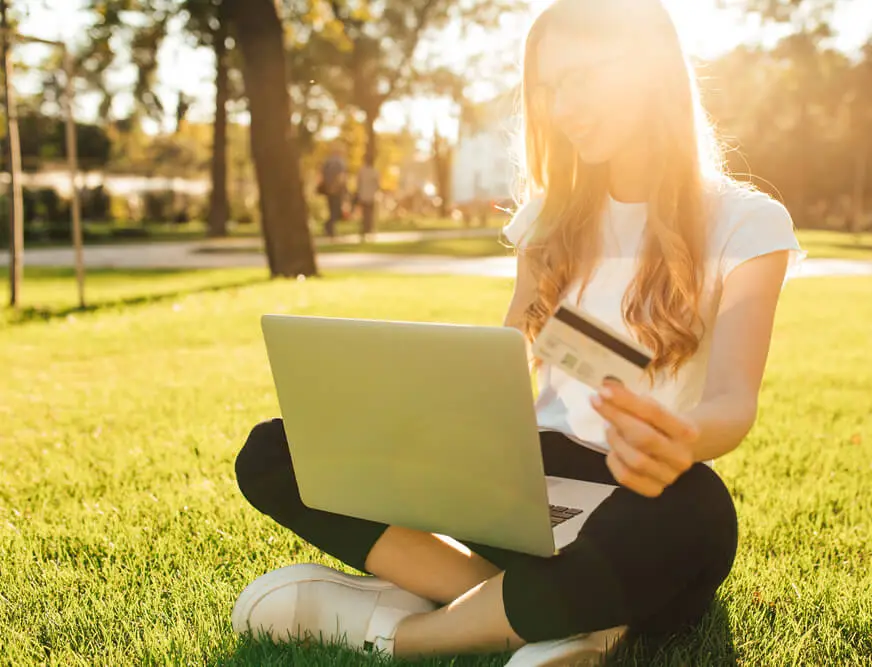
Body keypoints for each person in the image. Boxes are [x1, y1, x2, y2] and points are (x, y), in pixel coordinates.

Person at [231, 0, 804, 663]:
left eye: (585, 77)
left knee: (700, 512)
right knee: (278, 451)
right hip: (520, 491)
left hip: (640, 496)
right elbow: (508, 364)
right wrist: (421, 428)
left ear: (651, 72)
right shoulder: (545, 220)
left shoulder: (747, 223)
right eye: (551, 86)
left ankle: (406, 634)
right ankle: (549, 611)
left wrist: (683, 440)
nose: (565, 106)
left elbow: (734, 401)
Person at [320, 143, 348, 237]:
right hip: (337, 189)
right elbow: (341, 177)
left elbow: (322, 175)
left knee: (332, 209)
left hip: (328, 189)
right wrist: (343, 188)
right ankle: (329, 227)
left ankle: (330, 228)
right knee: (336, 211)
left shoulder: (327, 162)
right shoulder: (340, 162)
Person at [355, 153, 381, 242]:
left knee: (365, 215)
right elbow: (377, 184)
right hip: (371, 196)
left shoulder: (362, 171)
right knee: (370, 215)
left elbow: (358, 183)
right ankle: (369, 230)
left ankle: (365, 230)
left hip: (364, 195)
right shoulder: (375, 171)